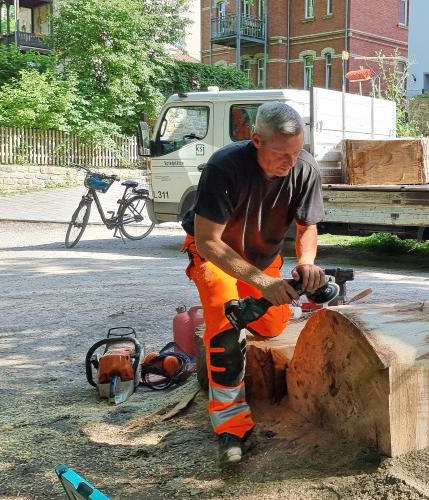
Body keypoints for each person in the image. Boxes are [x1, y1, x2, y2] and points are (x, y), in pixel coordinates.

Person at [180, 102, 325, 465]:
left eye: (296, 152)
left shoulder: (304, 167)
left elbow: (308, 228)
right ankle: (232, 426)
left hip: (261, 256)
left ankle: (236, 319)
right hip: (215, 256)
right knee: (225, 322)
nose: (290, 162)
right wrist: (261, 282)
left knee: (272, 324)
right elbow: (208, 240)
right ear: (256, 139)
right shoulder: (224, 167)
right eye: (281, 154)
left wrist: (306, 263)